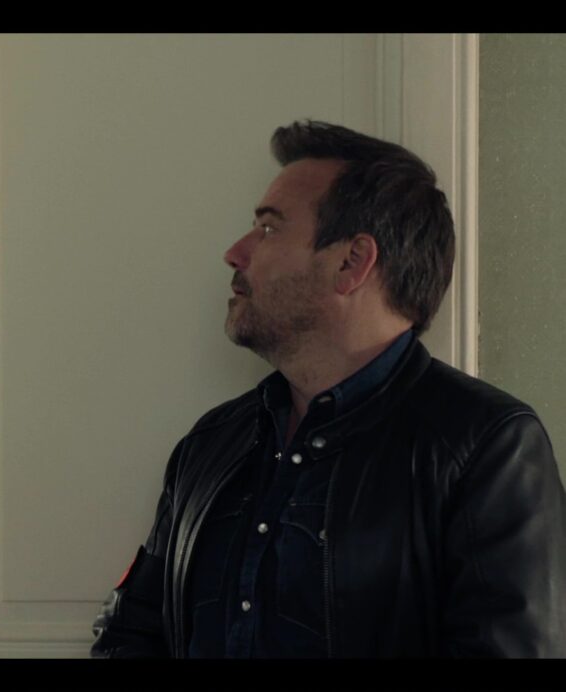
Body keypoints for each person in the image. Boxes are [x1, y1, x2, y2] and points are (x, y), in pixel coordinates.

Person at [90, 120, 566, 658]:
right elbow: (132, 636)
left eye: (268, 229)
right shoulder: (209, 445)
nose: (235, 252)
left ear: (352, 262)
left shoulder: (485, 447)